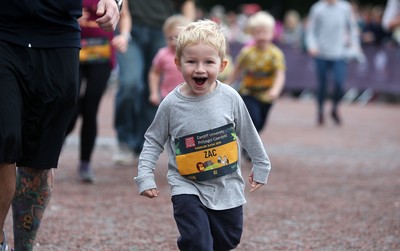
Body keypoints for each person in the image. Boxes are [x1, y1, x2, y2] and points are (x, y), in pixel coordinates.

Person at [134, 19, 271, 251]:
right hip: (186, 184)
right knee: (198, 241)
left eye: (208, 62)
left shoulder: (230, 98)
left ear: (222, 65)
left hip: (226, 184)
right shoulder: (171, 104)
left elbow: (248, 132)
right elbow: (153, 140)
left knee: (228, 239)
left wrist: (261, 164)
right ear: (178, 63)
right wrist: (145, 175)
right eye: (191, 61)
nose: (199, 69)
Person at [0, 0, 120, 250]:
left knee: (39, 160)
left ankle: (25, 246)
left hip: (58, 37)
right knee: (4, 139)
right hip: (4, 30)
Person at [112, 0, 196, 165]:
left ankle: (144, 144)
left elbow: (187, 4)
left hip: (163, 31)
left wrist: (189, 30)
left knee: (154, 90)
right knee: (131, 83)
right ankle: (125, 141)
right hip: (129, 27)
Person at [65, 0, 131, 183]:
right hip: (73, 50)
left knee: (90, 108)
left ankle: (85, 162)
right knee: (69, 104)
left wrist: (124, 36)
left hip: (102, 54)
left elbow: (124, 14)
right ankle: (53, 145)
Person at [226, 11, 286, 134]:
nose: (262, 36)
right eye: (258, 32)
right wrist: (227, 83)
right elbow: (237, 69)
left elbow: (280, 74)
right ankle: (248, 146)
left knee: (260, 124)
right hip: (249, 92)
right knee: (253, 119)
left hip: (267, 94)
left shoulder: (275, 54)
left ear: (272, 33)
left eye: (265, 32)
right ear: (252, 33)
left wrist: (275, 90)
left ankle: (249, 143)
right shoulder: (247, 52)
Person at [305, 0, 359, 126]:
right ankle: (320, 111)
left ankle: (334, 108)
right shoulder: (317, 8)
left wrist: (354, 46)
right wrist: (312, 46)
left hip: (339, 53)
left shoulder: (345, 7)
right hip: (321, 53)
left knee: (339, 83)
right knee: (322, 85)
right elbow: (311, 30)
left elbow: (352, 28)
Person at [148, 15, 191, 106]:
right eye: (169, 38)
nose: (173, 42)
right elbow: (154, 73)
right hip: (168, 98)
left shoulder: (192, 54)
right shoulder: (163, 54)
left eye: (177, 37)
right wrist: (154, 93)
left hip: (190, 97)